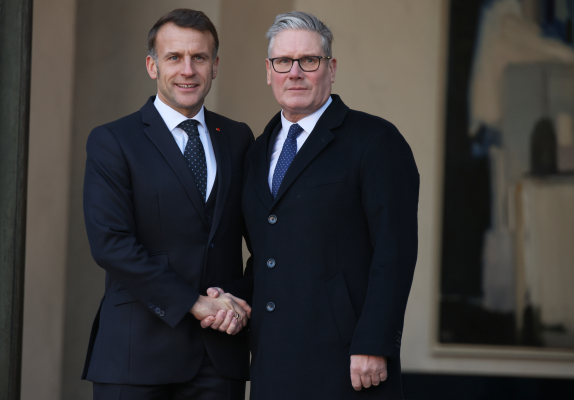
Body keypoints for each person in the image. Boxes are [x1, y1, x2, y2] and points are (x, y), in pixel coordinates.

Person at [232, 11, 419, 400]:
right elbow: (268, 253)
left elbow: (395, 250)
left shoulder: (374, 140)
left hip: (347, 361)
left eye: (309, 61)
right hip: (272, 359)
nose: (294, 73)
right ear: (268, 71)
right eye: (283, 62)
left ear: (331, 69)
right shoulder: (256, 152)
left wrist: (374, 342)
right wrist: (230, 298)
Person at [81, 8, 254, 400]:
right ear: (152, 65)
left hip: (218, 355)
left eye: (199, 57)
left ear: (215, 66)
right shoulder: (114, 140)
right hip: (136, 354)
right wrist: (192, 303)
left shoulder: (238, 139)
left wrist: (236, 303)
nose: (187, 70)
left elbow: (265, 236)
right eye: (174, 57)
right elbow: (110, 243)